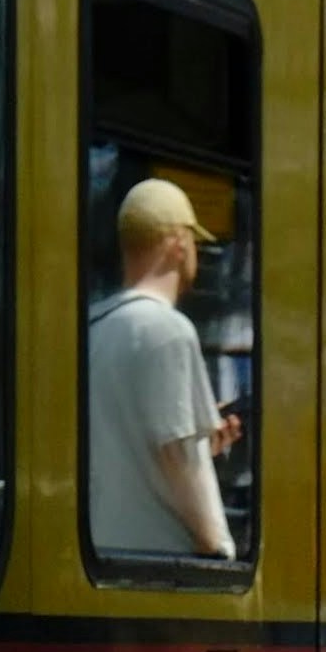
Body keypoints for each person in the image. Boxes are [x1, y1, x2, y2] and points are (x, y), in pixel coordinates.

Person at [86, 175, 236, 561]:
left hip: (104, 556)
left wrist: (205, 445)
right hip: (163, 564)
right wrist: (217, 546)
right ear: (178, 243)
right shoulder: (168, 330)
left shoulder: (92, 327)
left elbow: (133, 448)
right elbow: (176, 457)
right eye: (194, 242)